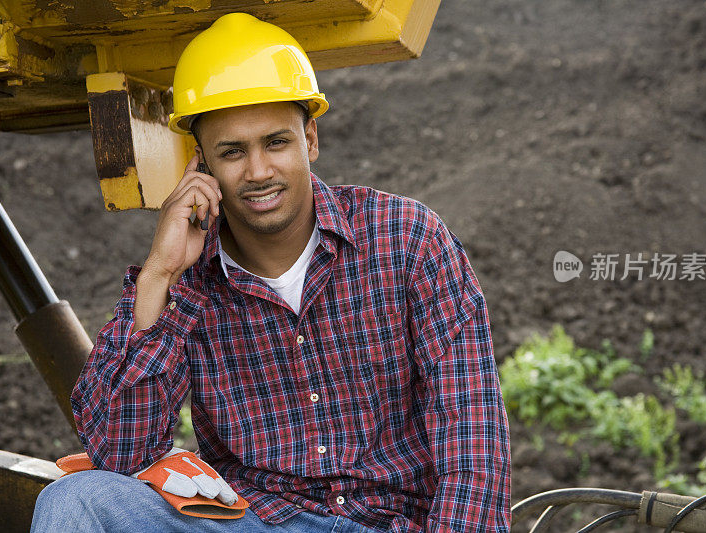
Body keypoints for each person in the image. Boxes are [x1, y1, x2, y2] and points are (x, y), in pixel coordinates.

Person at [31, 12, 511, 533]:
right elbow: (119, 452)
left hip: (390, 523)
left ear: (310, 139)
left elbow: (473, 440)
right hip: (255, 522)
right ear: (202, 165)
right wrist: (160, 275)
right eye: (232, 152)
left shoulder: (409, 239)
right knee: (76, 501)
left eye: (276, 142)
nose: (258, 171)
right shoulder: (189, 278)